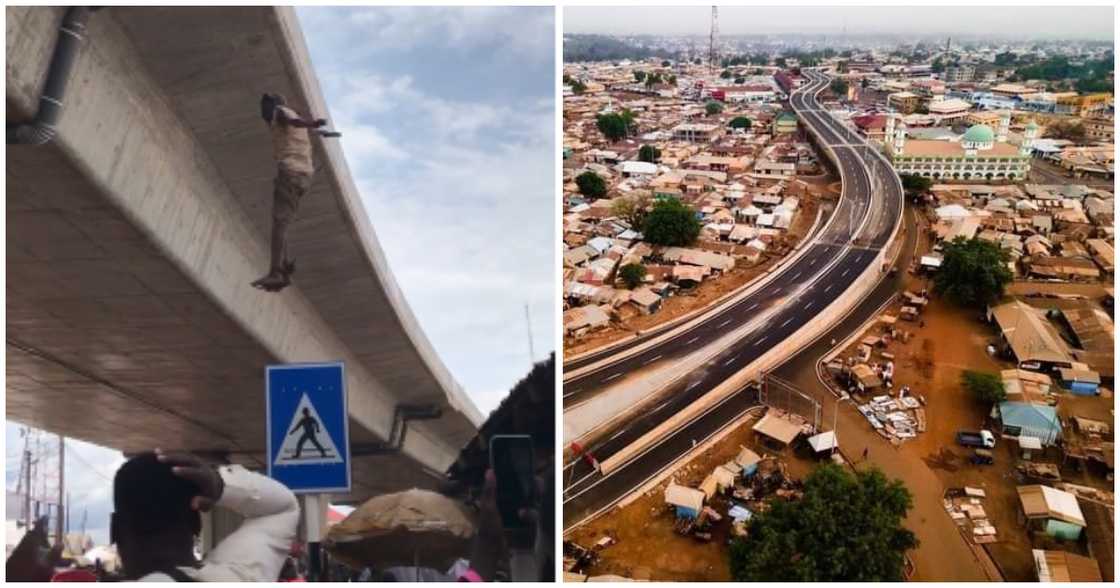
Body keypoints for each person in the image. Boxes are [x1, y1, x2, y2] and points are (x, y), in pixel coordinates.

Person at [109, 449, 299, 581]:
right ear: (197, 523)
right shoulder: (240, 577)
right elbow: (283, 507)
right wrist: (221, 485)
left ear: (115, 530)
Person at [251, 93, 339, 292]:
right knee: (283, 221)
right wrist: (321, 131)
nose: (264, 115)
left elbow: (294, 121)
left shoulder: (280, 111)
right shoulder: (288, 121)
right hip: (304, 178)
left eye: (265, 109)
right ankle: (283, 267)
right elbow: (300, 128)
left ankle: (276, 272)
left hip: (290, 174)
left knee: (279, 224)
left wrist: (312, 123)